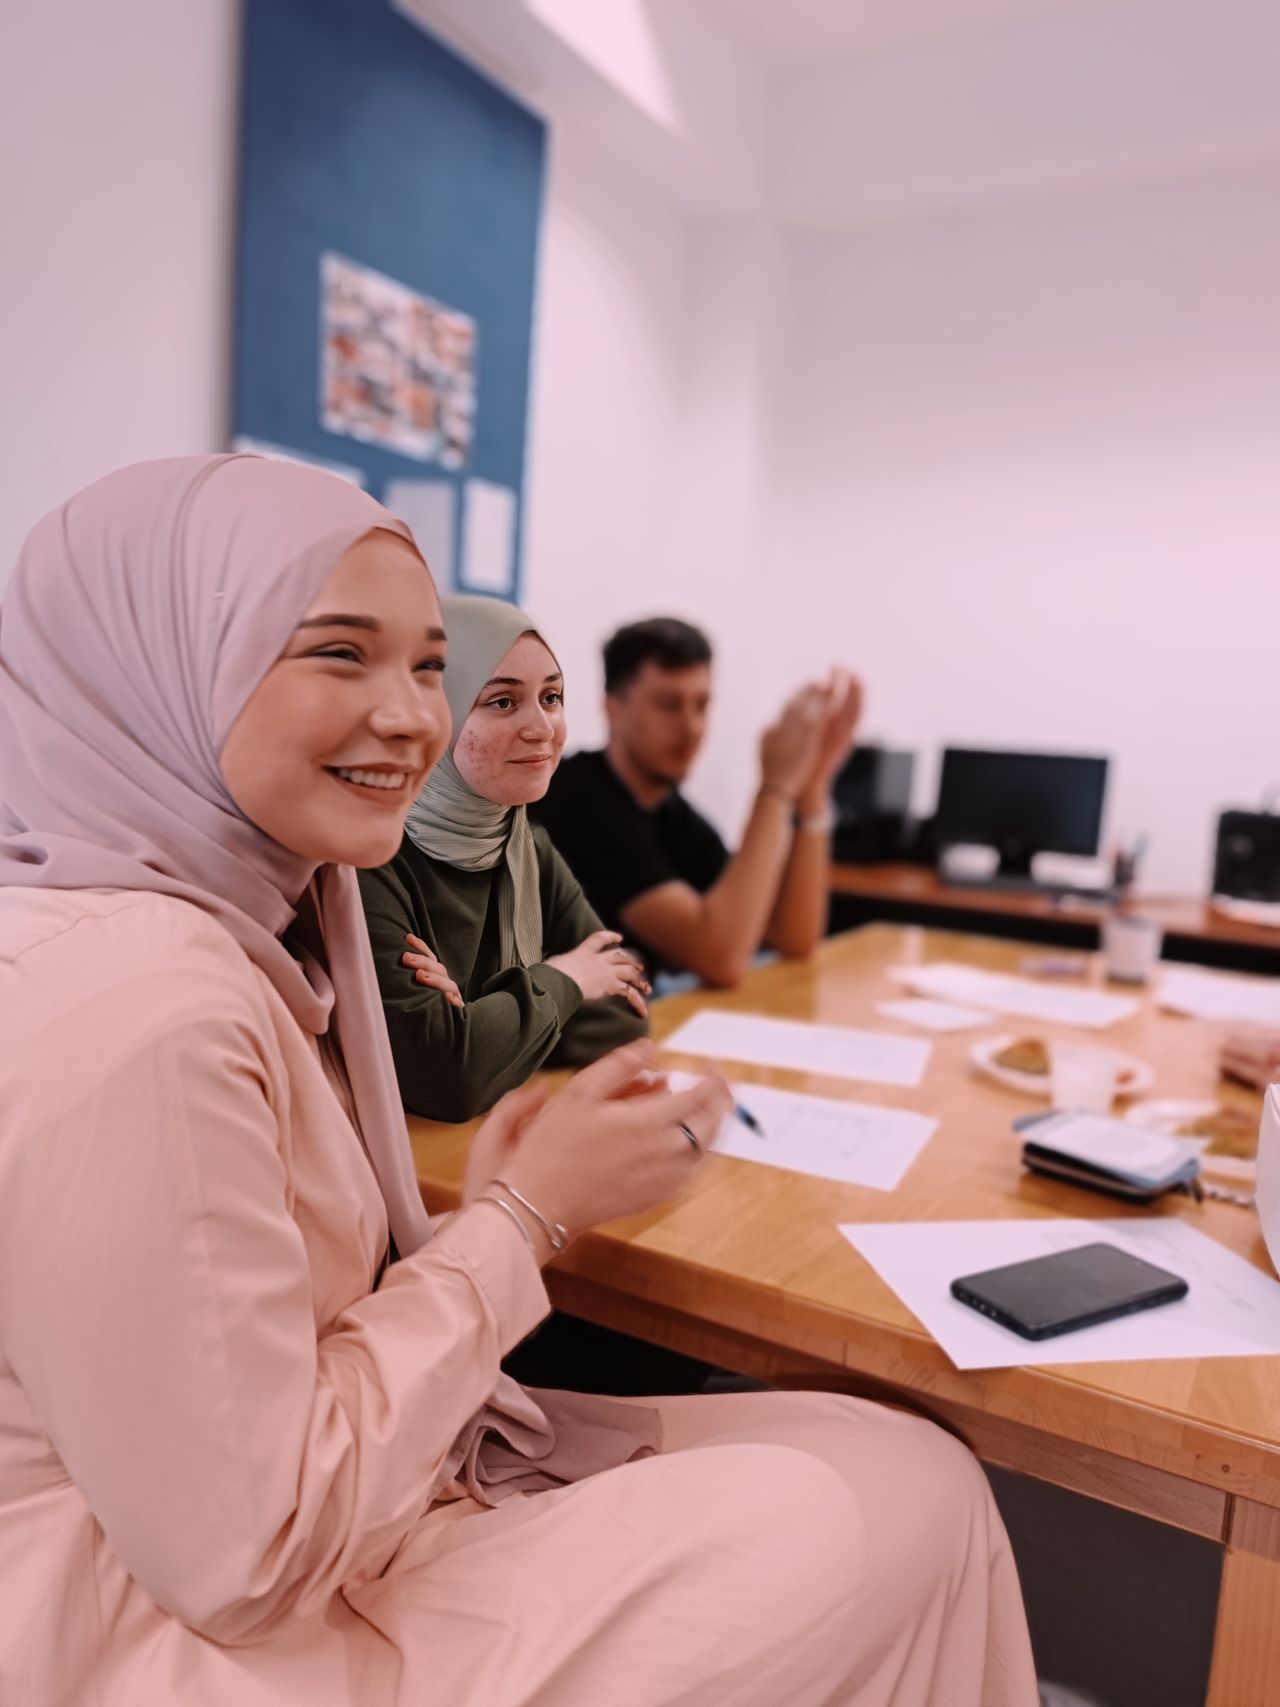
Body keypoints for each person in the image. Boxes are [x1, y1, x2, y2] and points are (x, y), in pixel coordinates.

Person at [0, 455, 1037, 1707]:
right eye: (339, 654)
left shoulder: (279, 915)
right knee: (899, 1502)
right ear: (151, 669)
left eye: (427, 668)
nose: (413, 719)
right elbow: (248, 1548)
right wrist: (520, 1216)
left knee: (884, 1449)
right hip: (192, 1629)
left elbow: (596, 1005)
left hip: (299, 1517)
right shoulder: (144, 999)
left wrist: (482, 1195)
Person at [358, 593, 648, 1124]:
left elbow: (622, 1013)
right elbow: (449, 1079)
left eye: (552, 697)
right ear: (434, 716)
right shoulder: (368, 861)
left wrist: (481, 1023)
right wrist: (566, 979)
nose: (543, 728)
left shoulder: (526, 845)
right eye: (502, 702)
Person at [532, 616, 863, 987]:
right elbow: (722, 957)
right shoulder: (578, 800)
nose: (691, 727)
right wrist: (775, 789)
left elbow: (793, 938)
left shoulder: (677, 816)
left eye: (701, 706)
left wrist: (813, 786)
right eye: (669, 705)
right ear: (613, 710)